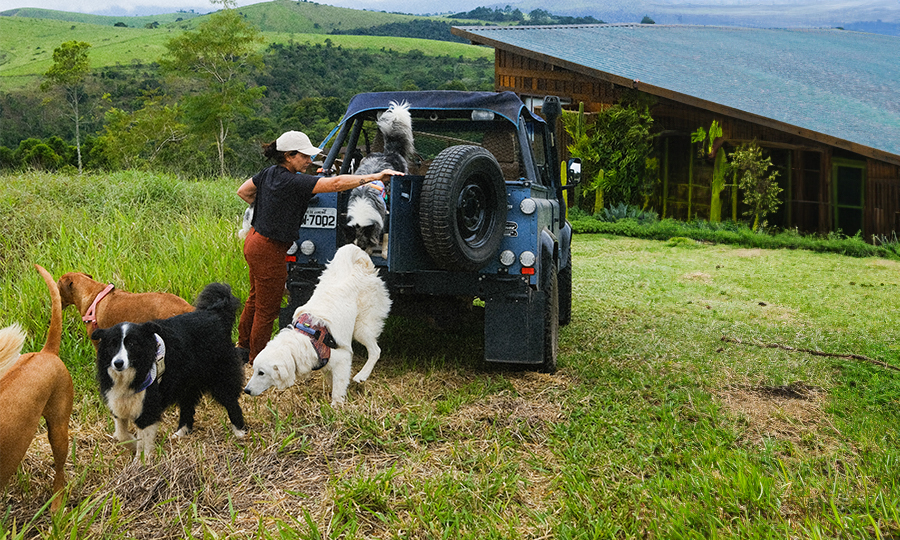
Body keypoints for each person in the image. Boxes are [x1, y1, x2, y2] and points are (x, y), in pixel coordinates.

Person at [236, 130, 402, 364]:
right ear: (289, 156)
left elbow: (243, 191)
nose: (309, 161)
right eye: (304, 156)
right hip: (270, 249)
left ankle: (242, 347)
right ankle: (256, 360)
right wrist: (374, 176)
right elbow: (334, 183)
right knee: (268, 309)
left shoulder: (268, 174)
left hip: (254, 241)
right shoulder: (295, 181)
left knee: (254, 299)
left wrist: (272, 206)